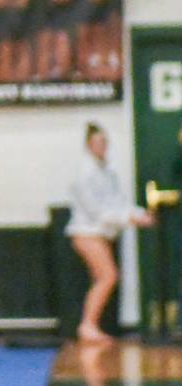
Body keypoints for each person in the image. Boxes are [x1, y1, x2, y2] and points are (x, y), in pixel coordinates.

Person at [67, 122, 154, 344]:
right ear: (88, 145)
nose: (102, 146)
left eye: (105, 141)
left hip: (102, 234)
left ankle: (90, 325)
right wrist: (130, 219)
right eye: (97, 142)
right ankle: (87, 325)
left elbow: (118, 202)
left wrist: (138, 214)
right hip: (86, 233)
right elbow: (97, 212)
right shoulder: (84, 174)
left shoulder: (107, 171)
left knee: (103, 278)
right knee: (108, 276)